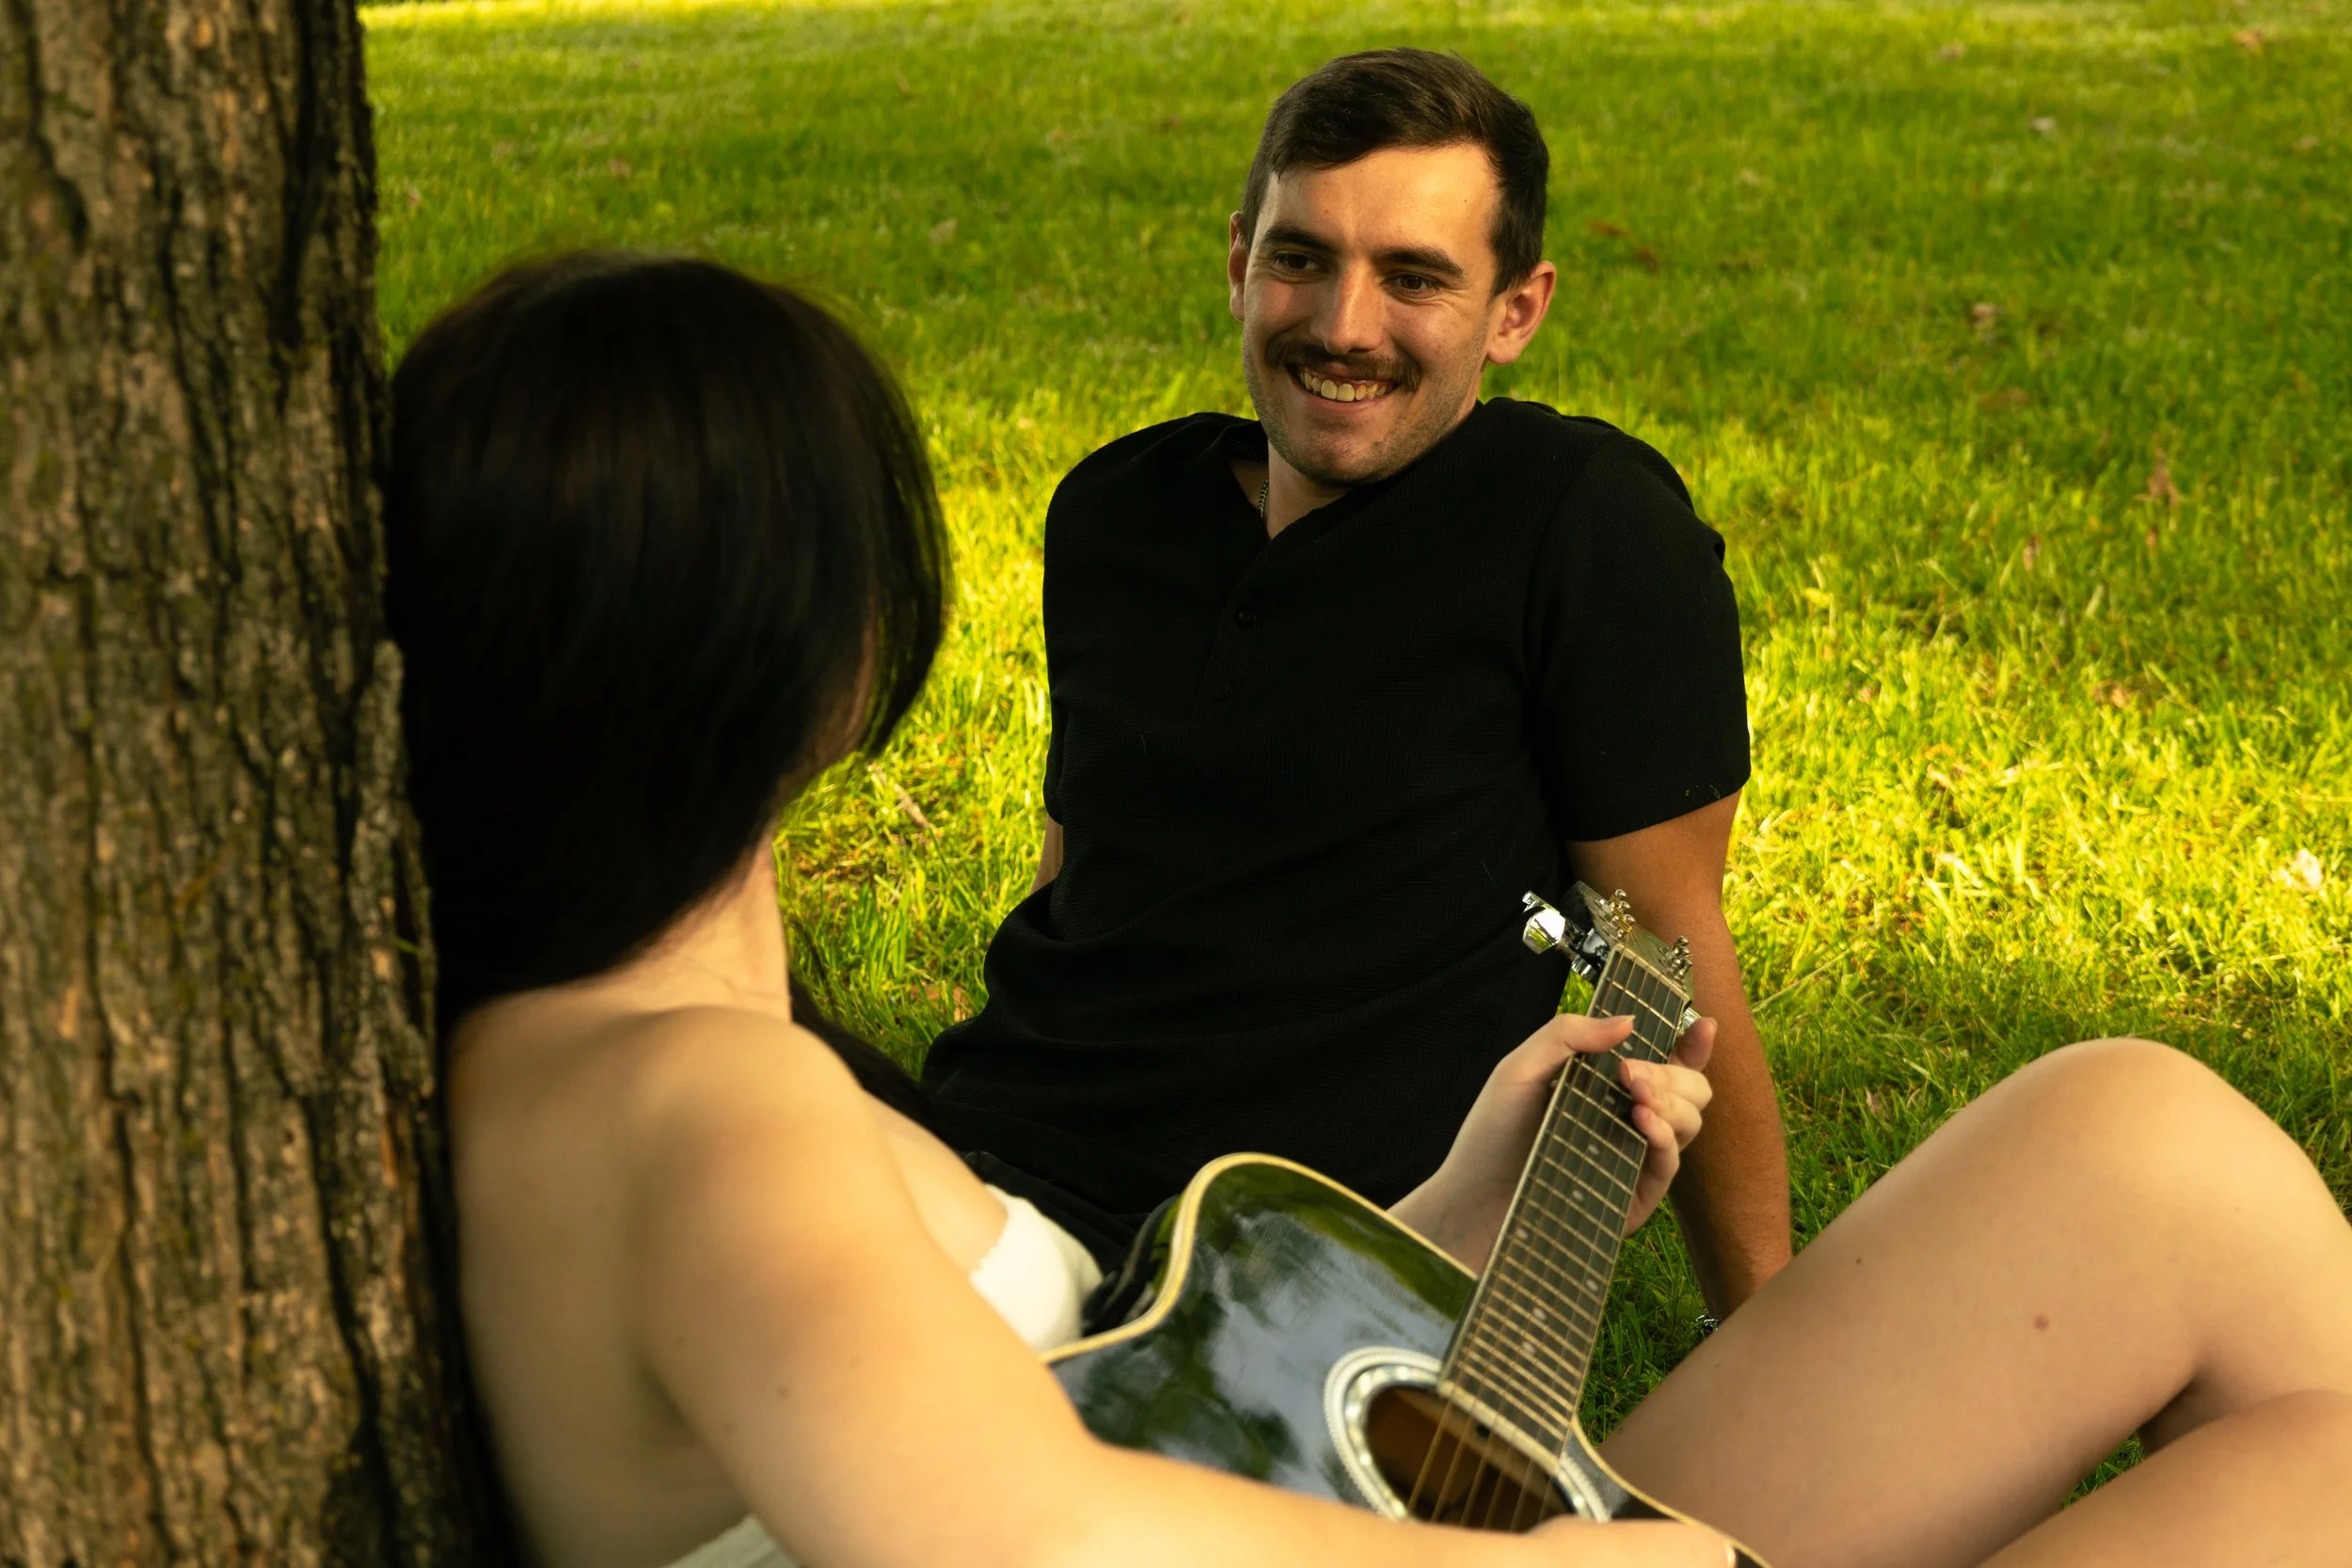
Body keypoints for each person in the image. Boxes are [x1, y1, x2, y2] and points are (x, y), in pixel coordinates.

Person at [392, 251, 2352, 1568]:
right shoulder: (701, 1106)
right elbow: (1021, 1531)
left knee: (2141, 1142)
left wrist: (1450, 1206)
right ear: (816, 648)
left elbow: (1107, 1421)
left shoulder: (579, 1052)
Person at [921, 49, 1790, 1316]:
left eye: (1415, 278)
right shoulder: (1119, 510)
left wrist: (1755, 1326)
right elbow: (1080, 873)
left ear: (1517, 310)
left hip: (1281, 1260)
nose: (1342, 326)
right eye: (1301, 257)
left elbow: (1664, 947)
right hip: (984, 1169)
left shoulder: (1582, 529)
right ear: (1238, 263)